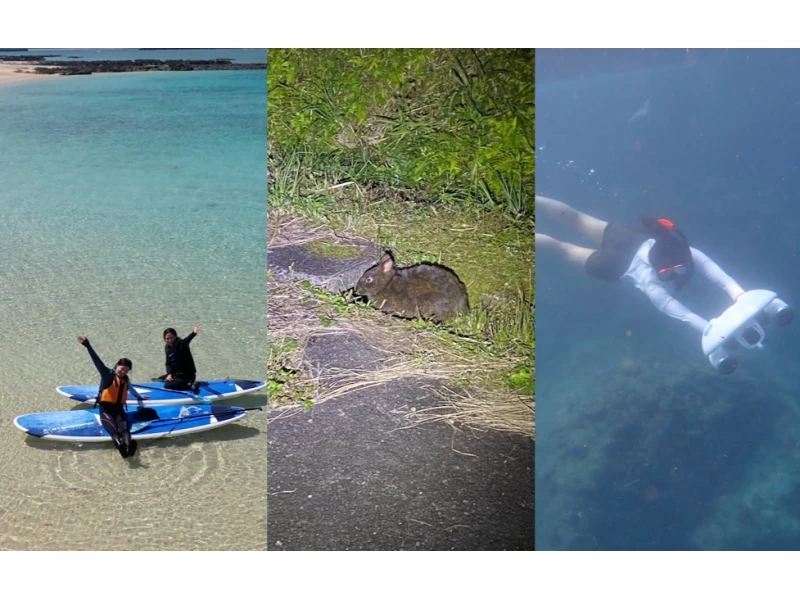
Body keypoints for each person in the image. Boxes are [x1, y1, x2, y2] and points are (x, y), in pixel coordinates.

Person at [536, 194, 793, 373]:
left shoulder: (677, 257)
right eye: (672, 275)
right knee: (563, 249)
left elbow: (695, 298)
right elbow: (683, 311)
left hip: (626, 241)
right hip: (615, 265)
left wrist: (736, 299)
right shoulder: (669, 268)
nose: (678, 277)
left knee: (576, 218)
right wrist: (720, 318)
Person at [77, 335, 146, 458]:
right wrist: (87, 345)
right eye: (122, 368)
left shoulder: (125, 379)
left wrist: (139, 398)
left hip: (119, 411)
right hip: (106, 411)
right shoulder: (107, 374)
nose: (123, 372)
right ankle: (126, 448)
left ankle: (128, 448)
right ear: (117, 365)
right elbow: (96, 360)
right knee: (114, 432)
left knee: (125, 431)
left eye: (126, 370)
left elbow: (131, 389)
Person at [155, 324, 201, 391]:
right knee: (159, 379)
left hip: (187, 375)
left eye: (172, 338)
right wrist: (169, 374)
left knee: (167, 385)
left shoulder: (181, 344)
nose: (170, 340)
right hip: (177, 374)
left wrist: (193, 333)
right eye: (167, 339)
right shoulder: (167, 348)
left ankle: (190, 384)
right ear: (164, 338)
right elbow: (168, 363)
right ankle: (182, 382)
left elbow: (187, 340)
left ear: (175, 336)